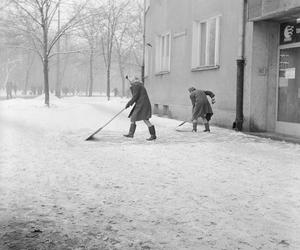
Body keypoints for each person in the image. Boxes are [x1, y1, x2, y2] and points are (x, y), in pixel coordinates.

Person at [124, 76, 157, 140]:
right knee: (135, 117)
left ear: (133, 81)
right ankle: (131, 134)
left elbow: (135, 97)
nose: (129, 82)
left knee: (144, 119)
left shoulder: (136, 85)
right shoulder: (138, 85)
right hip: (141, 104)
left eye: (130, 81)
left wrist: (128, 104)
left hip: (142, 105)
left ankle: (153, 135)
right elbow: (136, 96)